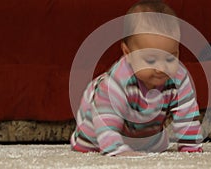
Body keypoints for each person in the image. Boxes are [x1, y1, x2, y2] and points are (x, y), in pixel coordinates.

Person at [70, 0, 203, 156]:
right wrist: (117, 151)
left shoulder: (178, 77)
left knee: (154, 144)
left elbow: (187, 114)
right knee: (89, 143)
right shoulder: (118, 80)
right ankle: (100, 142)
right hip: (99, 114)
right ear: (128, 54)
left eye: (170, 58)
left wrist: (190, 148)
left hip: (143, 126)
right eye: (151, 60)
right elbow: (106, 120)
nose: (161, 68)